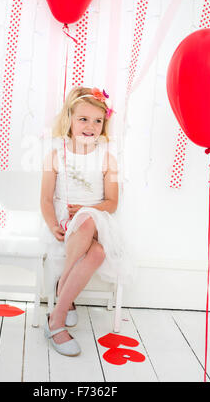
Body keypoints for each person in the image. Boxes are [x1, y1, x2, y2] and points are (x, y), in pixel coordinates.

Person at [40, 86, 133, 357]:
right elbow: (46, 199)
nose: (90, 126)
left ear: (104, 124)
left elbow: (112, 203)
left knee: (89, 218)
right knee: (97, 254)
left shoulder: (108, 159)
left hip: (98, 222)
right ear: (69, 118)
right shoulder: (55, 156)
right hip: (64, 224)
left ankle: (57, 313)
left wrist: (88, 209)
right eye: (83, 119)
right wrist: (51, 224)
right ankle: (60, 313)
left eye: (97, 120)